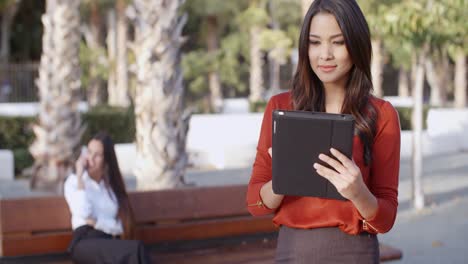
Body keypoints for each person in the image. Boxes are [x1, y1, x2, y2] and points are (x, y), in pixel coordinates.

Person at [246, 0, 401, 263]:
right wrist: (284, 178)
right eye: (315, 42)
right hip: (292, 251)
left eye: (338, 42)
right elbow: (255, 204)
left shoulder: (381, 115)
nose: (324, 54)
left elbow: (385, 221)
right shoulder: (280, 107)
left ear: (356, 45)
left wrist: (357, 191)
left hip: (354, 252)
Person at [64, 132, 152, 264]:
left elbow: (119, 227)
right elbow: (82, 212)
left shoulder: (110, 188)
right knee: (135, 250)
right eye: (89, 152)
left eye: (97, 155)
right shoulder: (74, 182)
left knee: (134, 251)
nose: (91, 158)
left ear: (106, 160)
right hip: (84, 242)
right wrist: (80, 178)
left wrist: (97, 222)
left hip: (108, 241)